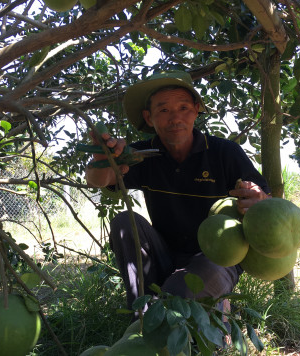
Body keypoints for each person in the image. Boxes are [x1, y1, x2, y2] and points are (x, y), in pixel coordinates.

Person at [85, 70, 270, 313]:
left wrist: (259, 200)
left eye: (183, 107)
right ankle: (142, 311)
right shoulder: (142, 155)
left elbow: (264, 201)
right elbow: (98, 180)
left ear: (196, 110)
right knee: (123, 222)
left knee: (179, 298)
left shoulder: (225, 153)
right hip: (165, 256)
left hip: (216, 259)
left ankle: (187, 307)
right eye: (163, 110)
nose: (175, 118)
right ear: (148, 117)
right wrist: (103, 157)